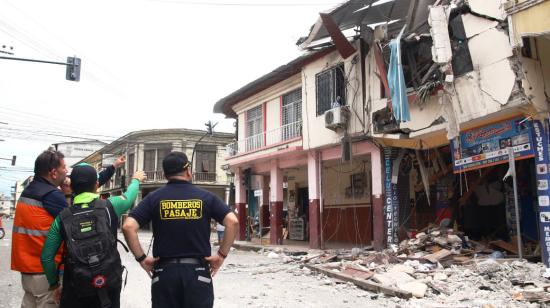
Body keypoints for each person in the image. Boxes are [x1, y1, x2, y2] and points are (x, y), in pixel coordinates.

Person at [122, 151, 239, 308]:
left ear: (164, 174)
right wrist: (221, 256)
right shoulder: (205, 197)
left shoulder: (154, 198)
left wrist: (142, 259)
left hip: (164, 273)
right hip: (198, 273)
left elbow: (128, 226)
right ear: (188, 171)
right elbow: (232, 222)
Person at [11, 150, 123, 308]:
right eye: (64, 167)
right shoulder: (51, 196)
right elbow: (78, 211)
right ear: (53, 172)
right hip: (44, 273)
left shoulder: (30, 191)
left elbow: (86, 186)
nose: (67, 172)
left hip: (27, 270)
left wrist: (112, 167)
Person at [40, 164, 146, 308]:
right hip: (109, 284)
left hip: (75, 286)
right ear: (97, 185)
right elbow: (129, 196)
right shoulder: (110, 206)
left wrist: (54, 285)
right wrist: (136, 180)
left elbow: (46, 257)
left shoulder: (62, 218)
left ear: (71, 187)